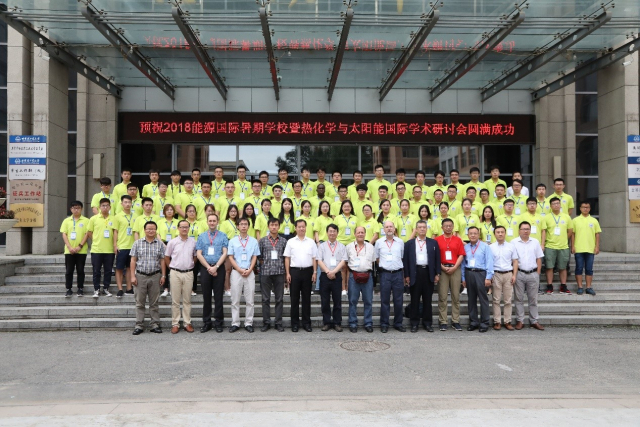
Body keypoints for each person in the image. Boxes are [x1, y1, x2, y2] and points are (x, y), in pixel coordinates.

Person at [403, 220, 441, 333]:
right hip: (415, 272)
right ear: (416, 229)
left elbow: (437, 258)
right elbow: (406, 261)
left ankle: (427, 323)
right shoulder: (409, 243)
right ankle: (414, 323)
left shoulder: (433, 243)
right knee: (414, 299)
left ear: (427, 229)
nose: (422, 229)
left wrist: (437, 273)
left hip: (428, 272)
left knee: (427, 300)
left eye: (424, 227)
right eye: (420, 227)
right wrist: (407, 275)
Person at [130, 221, 166, 335]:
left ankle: (155, 324)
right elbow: (133, 260)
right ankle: (139, 325)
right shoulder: (137, 243)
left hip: (155, 276)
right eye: (149, 229)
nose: (151, 231)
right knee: (139, 302)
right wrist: (132, 276)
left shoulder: (160, 244)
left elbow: (162, 260)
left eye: (153, 229)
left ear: (156, 230)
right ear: (144, 230)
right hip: (140, 276)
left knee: (154, 302)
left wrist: (163, 275)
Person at [196, 213, 229, 333]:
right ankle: (207, 322)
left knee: (219, 296)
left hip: (219, 268)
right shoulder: (202, 236)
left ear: (217, 222)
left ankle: (218, 323)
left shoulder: (223, 235)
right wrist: (209, 268)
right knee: (206, 296)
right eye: (210, 221)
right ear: (207, 222)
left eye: (214, 221)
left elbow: (225, 252)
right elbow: (199, 254)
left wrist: (216, 267)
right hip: (205, 268)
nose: (212, 223)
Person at [226, 217, 260, 333]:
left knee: (250, 300)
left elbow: (254, 256)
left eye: (246, 224)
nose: (244, 226)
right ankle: (235, 323)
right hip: (237, 272)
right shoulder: (233, 241)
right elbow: (230, 257)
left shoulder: (253, 241)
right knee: (235, 299)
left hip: (249, 272)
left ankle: (248, 323)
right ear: (238, 226)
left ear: (248, 226)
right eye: (241, 224)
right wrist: (239, 269)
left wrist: (250, 269)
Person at [284, 219, 318, 332]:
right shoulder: (291, 242)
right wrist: (288, 273)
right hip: (294, 272)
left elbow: (314, 258)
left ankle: (306, 323)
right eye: (299, 227)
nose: (301, 228)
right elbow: (287, 258)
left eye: (303, 226)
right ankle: (294, 324)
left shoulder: (311, 242)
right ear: (295, 228)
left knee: (306, 298)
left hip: (308, 272)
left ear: (306, 228)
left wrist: (315, 272)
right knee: (294, 299)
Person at [164, 219, 197, 334]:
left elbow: (195, 256)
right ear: (178, 228)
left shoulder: (193, 242)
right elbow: (166, 257)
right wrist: (172, 268)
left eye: (186, 227)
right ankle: (175, 323)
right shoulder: (172, 242)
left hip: (188, 273)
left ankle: (187, 323)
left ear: (189, 228)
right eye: (182, 227)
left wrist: (190, 264)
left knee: (187, 300)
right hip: (175, 273)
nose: (184, 229)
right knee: (175, 300)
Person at [512, 221, 545, 330]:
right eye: (523, 229)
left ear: (530, 230)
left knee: (533, 299)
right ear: (519, 231)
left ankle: (534, 320)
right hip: (519, 273)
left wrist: (537, 273)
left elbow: (539, 258)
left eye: (527, 229)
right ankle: (520, 320)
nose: (525, 231)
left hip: (533, 274)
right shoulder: (514, 242)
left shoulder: (535, 242)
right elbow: (513, 259)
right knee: (518, 298)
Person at [461, 227, 494, 333]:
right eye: (471, 233)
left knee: (483, 299)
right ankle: (473, 322)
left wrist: (488, 277)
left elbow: (489, 261)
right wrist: (463, 278)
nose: (473, 235)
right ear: (468, 235)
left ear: (479, 234)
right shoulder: (465, 247)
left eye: (475, 233)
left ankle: (484, 323)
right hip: (469, 273)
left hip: (481, 273)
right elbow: (463, 263)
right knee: (471, 299)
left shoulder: (485, 246)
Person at [434, 218, 465, 331]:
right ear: (442, 227)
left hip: (455, 269)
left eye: (450, 226)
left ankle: (455, 320)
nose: (448, 228)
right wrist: (442, 267)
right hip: (442, 269)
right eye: (446, 226)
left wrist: (455, 267)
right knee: (442, 296)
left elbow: (461, 255)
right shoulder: (437, 240)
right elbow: (435, 256)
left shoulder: (458, 240)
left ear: (453, 227)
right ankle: (443, 321)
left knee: (455, 296)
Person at [375, 220, 405, 333]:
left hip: (398, 274)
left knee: (398, 300)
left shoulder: (400, 242)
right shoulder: (379, 242)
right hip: (385, 274)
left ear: (394, 228)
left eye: (391, 226)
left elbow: (402, 257)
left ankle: (398, 323)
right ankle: (384, 324)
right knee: (384, 300)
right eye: (387, 227)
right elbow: (377, 258)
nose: (389, 229)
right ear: (383, 229)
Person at [317, 224, 348, 332]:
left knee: (337, 301)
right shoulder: (322, 246)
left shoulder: (342, 246)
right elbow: (319, 260)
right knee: (325, 301)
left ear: (337, 233)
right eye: (330, 231)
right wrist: (327, 271)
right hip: (325, 276)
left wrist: (334, 272)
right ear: (327, 233)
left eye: (334, 231)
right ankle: (326, 322)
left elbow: (343, 260)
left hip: (337, 276)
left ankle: (337, 323)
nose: (332, 233)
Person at [82, 198, 115, 298]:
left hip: (109, 250)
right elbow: (89, 232)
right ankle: (96, 289)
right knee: (96, 271)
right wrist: (95, 240)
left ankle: (106, 288)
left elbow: (115, 233)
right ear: (99, 207)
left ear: (110, 207)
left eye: (107, 205)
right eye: (103, 205)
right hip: (96, 249)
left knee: (108, 271)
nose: (105, 207)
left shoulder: (114, 218)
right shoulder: (93, 219)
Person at [258, 218, 287, 332]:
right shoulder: (263, 241)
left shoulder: (284, 241)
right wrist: (266, 265)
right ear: (268, 226)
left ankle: (278, 323)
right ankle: (266, 322)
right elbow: (259, 257)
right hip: (266, 273)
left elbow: (285, 257)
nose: (274, 227)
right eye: (272, 225)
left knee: (279, 299)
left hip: (279, 272)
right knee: (265, 299)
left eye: (276, 225)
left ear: (279, 227)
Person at [346, 226, 376, 333]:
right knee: (352, 301)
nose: (360, 234)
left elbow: (373, 261)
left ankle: (368, 323)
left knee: (368, 301)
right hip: (353, 276)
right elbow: (346, 263)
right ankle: (353, 323)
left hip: (367, 276)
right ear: (354, 234)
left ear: (365, 234)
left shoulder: (371, 247)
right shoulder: (349, 247)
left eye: (362, 232)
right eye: (358, 232)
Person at [490, 226, 519, 330]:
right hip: (496, 274)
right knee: (496, 299)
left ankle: (507, 321)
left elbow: (515, 261)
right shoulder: (491, 247)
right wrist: (490, 276)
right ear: (494, 234)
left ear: (505, 233)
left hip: (508, 274)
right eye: (498, 232)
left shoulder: (511, 246)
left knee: (508, 300)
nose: (500, 234)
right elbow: (489, 262)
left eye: (502, 232)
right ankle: (497, 321)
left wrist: (514, 275)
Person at [543, 197, 574, 294]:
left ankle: (563, 286)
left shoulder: (566, 217)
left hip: (563, 246)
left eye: (557, 203)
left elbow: (570, 231)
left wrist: (564, 239)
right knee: (549, 267)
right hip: (550, 246)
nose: (556, 205)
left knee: (563, 267)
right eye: (554, 204)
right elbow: (544, 231)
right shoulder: (546, 217)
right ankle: (549, 286)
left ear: (560, 205)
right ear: (550, 206)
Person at [60, 201, 90, 297]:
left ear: (81, 209)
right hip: (69, 251)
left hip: (81, 250)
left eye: (78, 208)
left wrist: (79, 246)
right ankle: (68, 289)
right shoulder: (66, 221)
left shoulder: (86, 221)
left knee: (80, 270)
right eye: (74, 208)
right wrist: (69, 247)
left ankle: (80, 288)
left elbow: (87, 234)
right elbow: (64, 234)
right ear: (71, 209)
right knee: (69, 270)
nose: (76, 210)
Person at [571, 201, 601, 295]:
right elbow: (572, 234)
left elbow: (597, 234)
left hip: (590, 249)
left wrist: (597, 246)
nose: (585, 209)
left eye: (587, 207)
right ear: (580, 208)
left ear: (590, 209)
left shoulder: (594, 220)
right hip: (579, 248)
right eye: (583, 207)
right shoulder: (575, 220)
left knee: (589, 269)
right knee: (579, 268)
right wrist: (572, 246)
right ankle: (580, 287)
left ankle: (588, 287)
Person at [112, 195, 137, 298]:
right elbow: (115, 231)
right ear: (121, 203)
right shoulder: (117, 216)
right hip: (122, 246)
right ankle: (120, 289)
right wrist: (115, 245)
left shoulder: (135, 216)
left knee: (130, 268)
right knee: (119, 268)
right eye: (125, 202)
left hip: (132, 246)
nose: (127, 204)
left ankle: (129, 288)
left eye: (129, 202)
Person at [159, 204, 178, 297]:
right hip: (163, 244)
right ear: (164, 212)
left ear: (174, 212)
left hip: (175, 245)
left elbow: (178, 234)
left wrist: (172, 245)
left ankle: (173, 289)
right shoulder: (160, 222)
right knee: (165, 267)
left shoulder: (177, 222)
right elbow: (157, 234)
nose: (169, 211)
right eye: (167, 210)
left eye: (171, 210)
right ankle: (166, 289)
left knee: (174, 267)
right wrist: (163, 244)